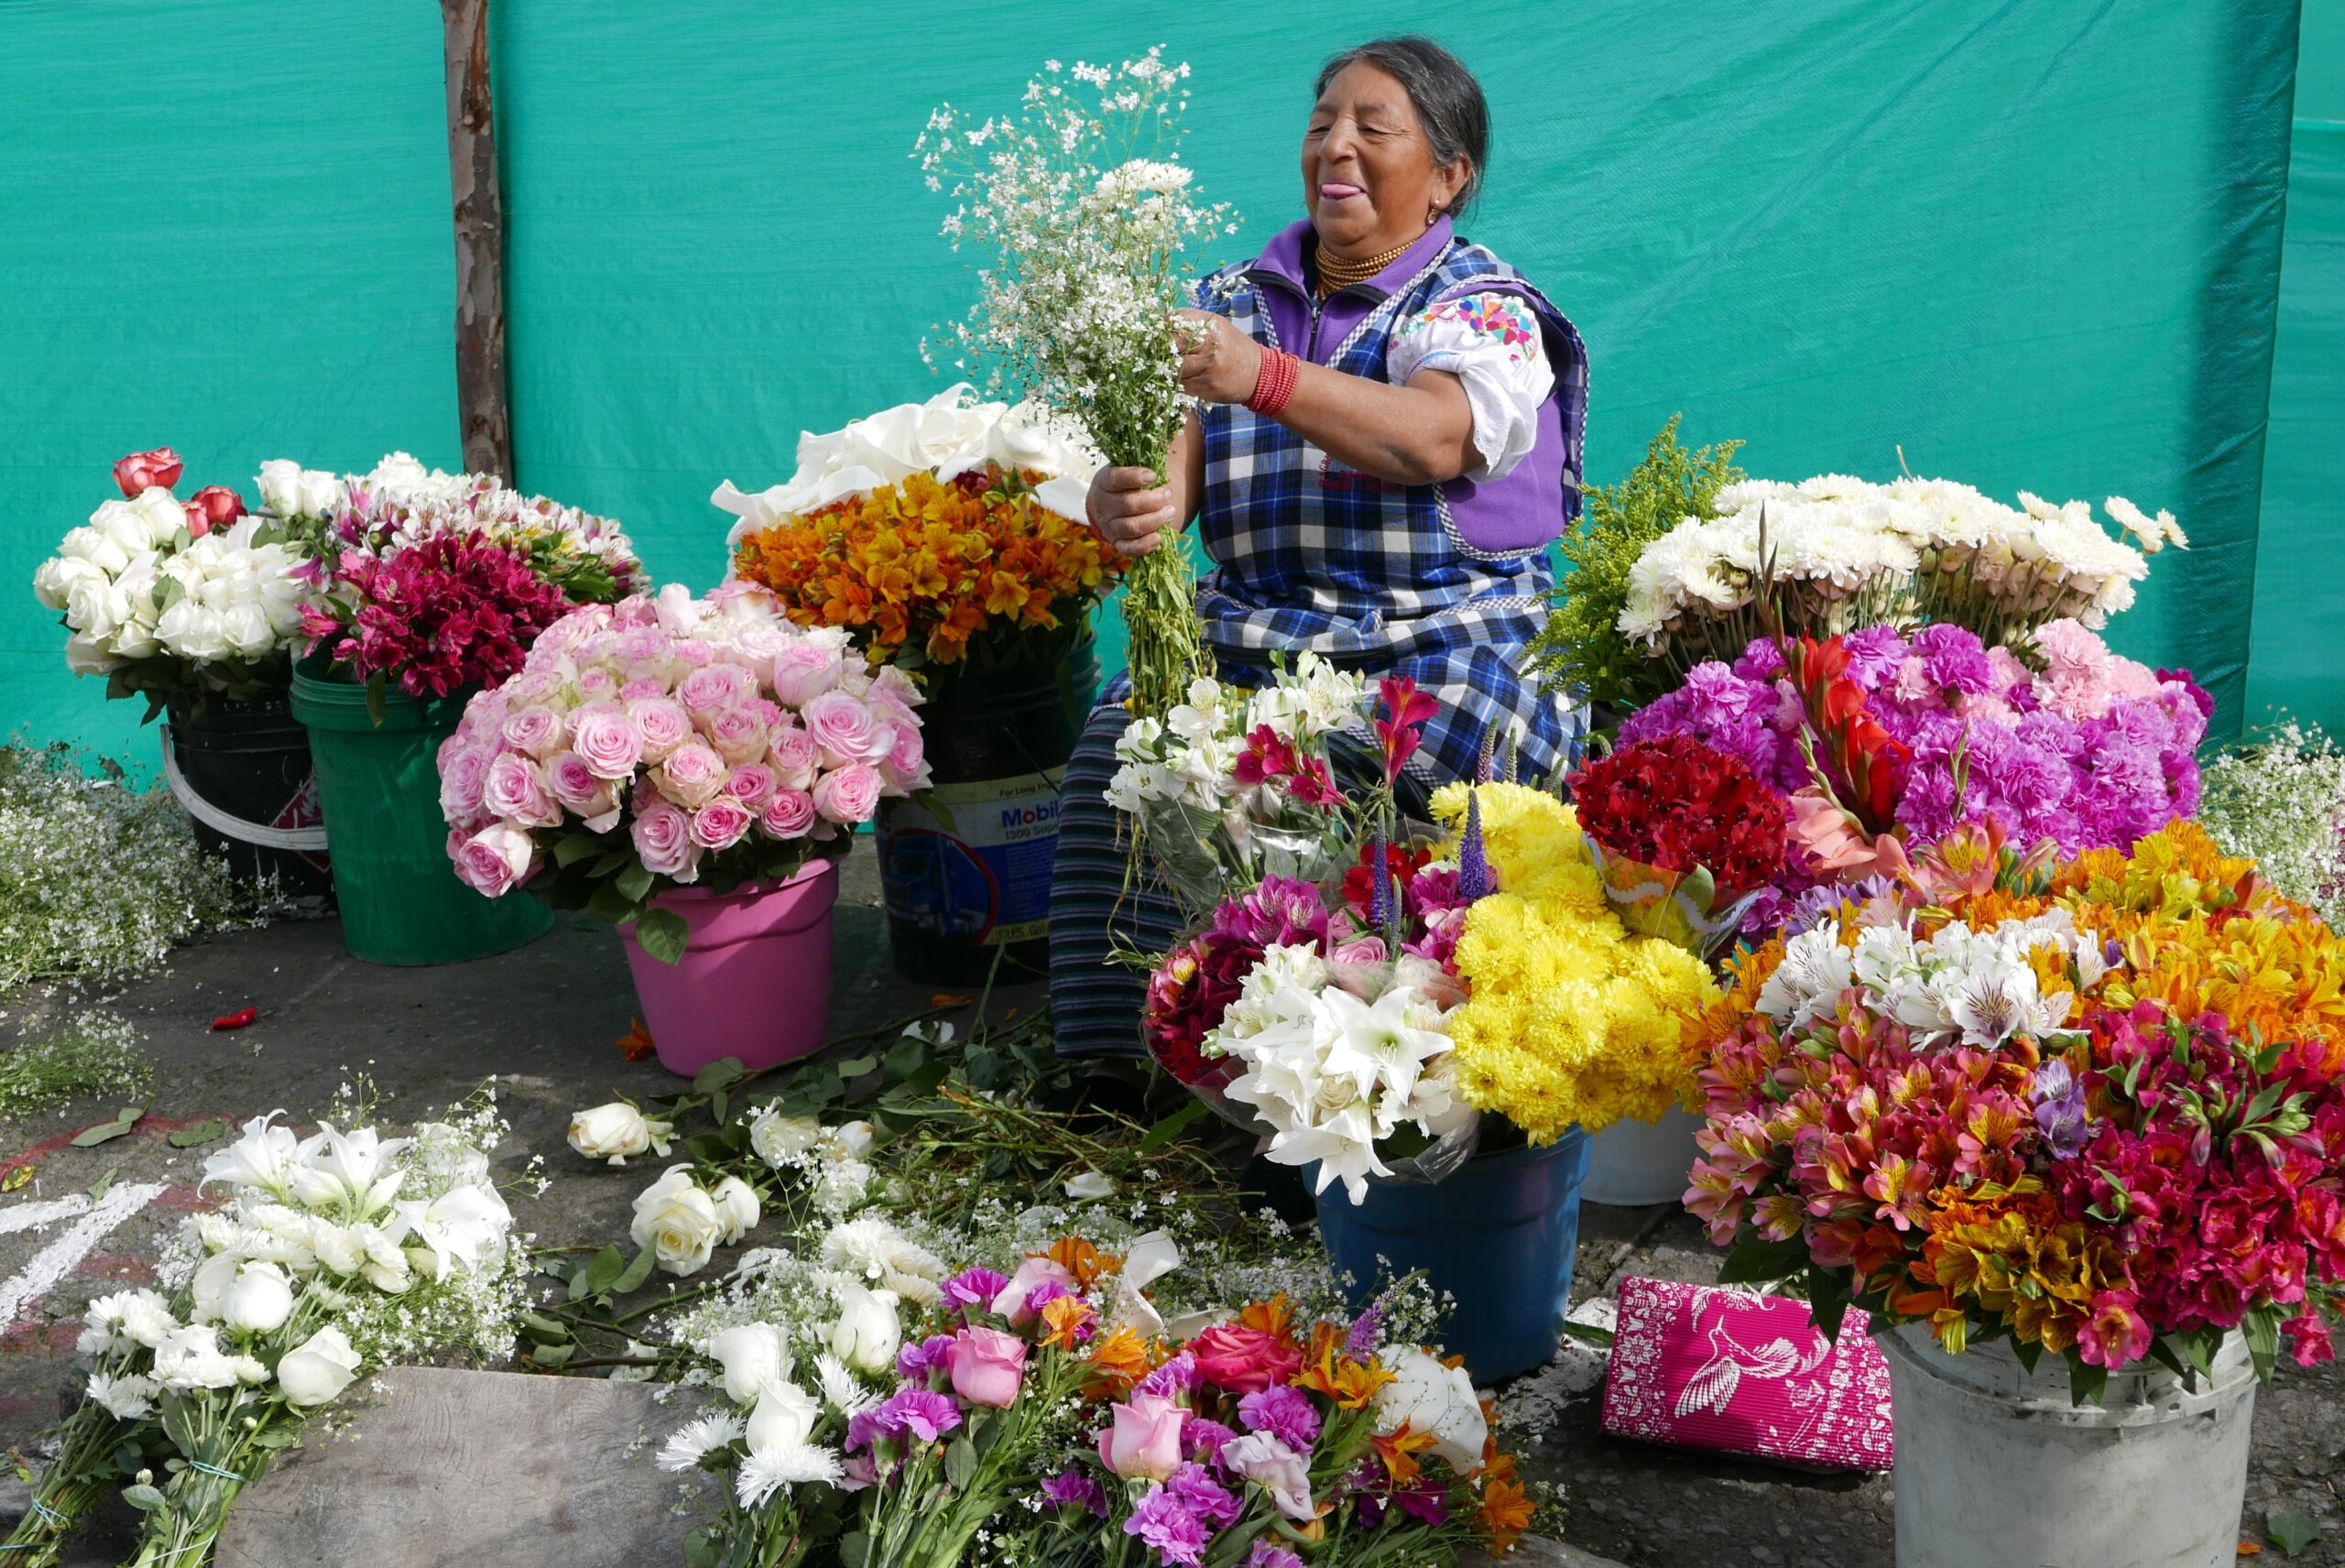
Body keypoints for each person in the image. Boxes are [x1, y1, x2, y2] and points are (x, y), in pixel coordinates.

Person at [1048, 35, 1589, 1073]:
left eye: (1373, 129)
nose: (1335, 145)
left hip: (1444, 650)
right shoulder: (1229, 303)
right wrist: (1130, 507)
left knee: (1375, 775)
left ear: (1447, 177)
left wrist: (1264, 377)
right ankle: (1124, 1069)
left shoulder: (1481, 306)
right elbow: (1169, 481)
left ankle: (1365, 1067)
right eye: (1320, 124)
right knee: (1119, 747)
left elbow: (1432, 435)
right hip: (1252, 640)